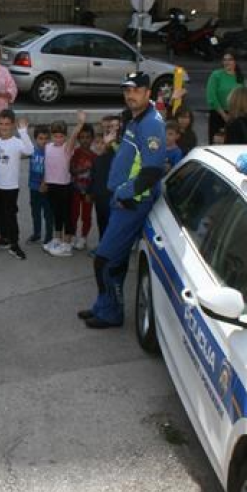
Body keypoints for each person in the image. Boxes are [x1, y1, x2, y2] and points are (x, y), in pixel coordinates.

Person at [79, 72, 166, 329]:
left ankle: (111, 313)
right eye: (127, 90)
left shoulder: (151, 123)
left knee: (104, 260)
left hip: (131, 203)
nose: (130, 95)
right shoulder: (135, 118)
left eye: (136, 90)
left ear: (148, 93)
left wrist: (124, 194)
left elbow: (152, 171)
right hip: (123, 200)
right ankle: (103, 306)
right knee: (115, 261)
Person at [0, 110, 34, 260]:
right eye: (1, 124)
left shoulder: (17, 142)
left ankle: (14, 244)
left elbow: (30, 150)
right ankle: (3, 239)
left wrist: (23, 132)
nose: (3, 127)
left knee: (10, 216)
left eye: (7, 124)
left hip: (10, 187)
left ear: (13, 125)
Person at [43, 112, 88, 257]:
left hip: (64, 187)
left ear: (65, 137)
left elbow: (74, 136)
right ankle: (57, 239)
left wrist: (80, 123)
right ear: (51, 136)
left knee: (66, 215)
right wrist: (44, 181)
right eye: (55, 136)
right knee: (56, 214)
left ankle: (67, 244)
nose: (58, 139)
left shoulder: (67, 149)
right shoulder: (48, 147)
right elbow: (47, 165)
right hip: (52, 186)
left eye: (61, 136)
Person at [88, 116, 120, 246]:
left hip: (111, 196)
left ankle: (109, 247)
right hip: (99, 197)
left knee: (111, 223)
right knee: (101, 222)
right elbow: (93, 177)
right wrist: (90, 193)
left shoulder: (116, 153)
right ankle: (102, 245)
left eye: (111, 126)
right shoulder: (96, 159)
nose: (101, 145)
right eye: (98, 143)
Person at [205, 50, 245, 143]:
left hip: (236, 116)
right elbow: (211, 97)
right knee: (217, 144)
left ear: (235, 61)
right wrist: (224, 115)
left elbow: (246, 96)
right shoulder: (216, 75)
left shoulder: (241, 77)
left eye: (230, 59)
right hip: (218, 115)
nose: (227, 62)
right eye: (224, 60)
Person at [69, 122, 95, 250]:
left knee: (86, 215)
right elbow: (71, 170)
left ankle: (83, 237)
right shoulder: (75, 153)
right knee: (73, 214)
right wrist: (82, 169)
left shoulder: (95, 156)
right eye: (82, 137)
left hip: (88, 191)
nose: (85, 140)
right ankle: (73, 235)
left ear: (92, 139)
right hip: (75, 189)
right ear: (78, 139)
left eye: (88, 137)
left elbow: (96, 176)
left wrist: (91, 192)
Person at [27, 125, 53, 246]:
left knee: (48, 214)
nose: (44, 141)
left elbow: (51, 169)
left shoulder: (51, 152)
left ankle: (49, 236)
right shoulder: (32, 150)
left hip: (47, 188)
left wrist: (45, 182)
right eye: (41, 138)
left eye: (46, 138)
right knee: (35, 212)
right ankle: (37, 233)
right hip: (33, 187)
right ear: (35, 139)